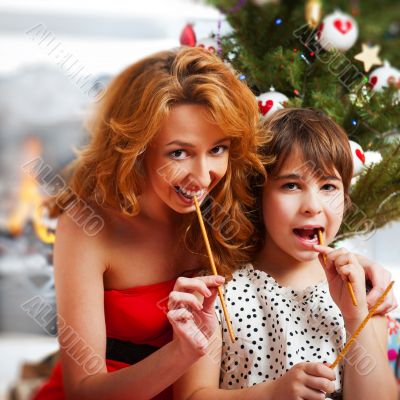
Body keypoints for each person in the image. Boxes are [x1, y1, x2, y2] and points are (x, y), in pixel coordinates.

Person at [32, 46, 267, 400]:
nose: (203, 176)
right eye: (179, 153)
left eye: (217, 149)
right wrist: (181, 354)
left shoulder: (230, 208)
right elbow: (83, 392)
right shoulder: (87, 225)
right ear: (136, 149)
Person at [174, 108, 398, 400]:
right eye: (291, 185)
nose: (312, 205)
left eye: (328, 186)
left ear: (344, 197)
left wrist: (355, 316)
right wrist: (271, 394)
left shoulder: (361, 291)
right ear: (258, 194)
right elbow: (191, 396)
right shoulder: (217, 293)